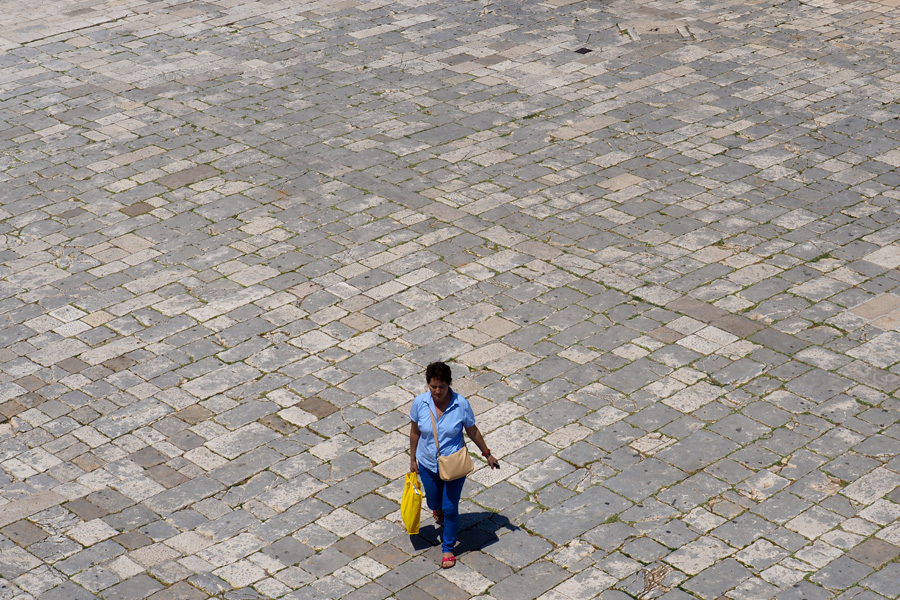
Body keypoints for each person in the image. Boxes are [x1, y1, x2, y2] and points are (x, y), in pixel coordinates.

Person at [409, 361, 500, 569]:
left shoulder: (461, 404)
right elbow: (415, 432)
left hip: (453, 464)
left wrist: (487, 454)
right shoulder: (419, 404)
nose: (438, 391)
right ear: (428, 385)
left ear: (449, 384)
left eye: (442, 386)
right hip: (427, 463)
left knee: (450, 507)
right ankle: (437, 509)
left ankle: (448, 547)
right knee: (433, 501)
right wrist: (412, 459)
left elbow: (472, 430)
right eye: (433, 387)